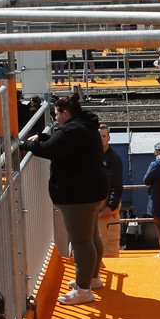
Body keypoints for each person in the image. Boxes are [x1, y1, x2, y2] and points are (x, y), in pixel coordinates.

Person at [18, 93, 109, 306]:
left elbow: (50, 150)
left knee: (81, 242)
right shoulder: (85, 126)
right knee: (91, 236)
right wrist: (41, 137)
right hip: (93, 188)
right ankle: (92, 278)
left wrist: (25, 144)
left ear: (66, 113)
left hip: (78, 193)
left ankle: (83, 290)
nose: (56, 118)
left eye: (57, 114)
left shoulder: (71, 130)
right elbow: (59, 145)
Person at [97, 125, 123, 259]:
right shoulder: (89, 156)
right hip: (92, 209)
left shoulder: (114, 158)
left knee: (109, 251)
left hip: (107, 211)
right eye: (98, 136)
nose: (101, 139)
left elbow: (117, 186)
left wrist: (111, 206)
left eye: (104, 136)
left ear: (109, 138)